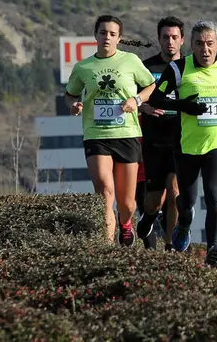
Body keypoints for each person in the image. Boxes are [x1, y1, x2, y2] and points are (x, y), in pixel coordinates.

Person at [150, 20, 217, 269]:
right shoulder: (179, 68)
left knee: (213, 196)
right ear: (191, 45)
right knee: (187, 202)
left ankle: (214, 247)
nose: (205, 49)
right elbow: (157, 97)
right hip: (187, 147)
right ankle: (184, 223)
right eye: (199, 44)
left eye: (210, 44)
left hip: (216, 145)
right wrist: (183, 106)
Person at [65, 15, 156, 245]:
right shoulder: (83, 67)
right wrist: (73, 106)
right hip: (97, 135)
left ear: (119, 38)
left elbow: (150, 85)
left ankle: (125, 224)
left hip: (127, 134)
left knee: (127, 203)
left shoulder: (131, 61)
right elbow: (70, 94)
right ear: (95, 35)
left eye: (112, 34)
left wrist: (136, 100)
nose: (107, 37)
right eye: (103, 32)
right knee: (105, 192)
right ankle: (107, 249)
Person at [136, 16, 184, 250]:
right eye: (165, 37)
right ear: (159, 39)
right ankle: (148, 217)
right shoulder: (146, 68)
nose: (170, 42)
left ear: (182, 40)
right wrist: (145, 106)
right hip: (153, 140)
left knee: (175, 192)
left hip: (181, 139)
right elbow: (135, 101)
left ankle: (170, 244)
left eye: (175, 37)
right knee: (154, 201)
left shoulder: (190, 66)